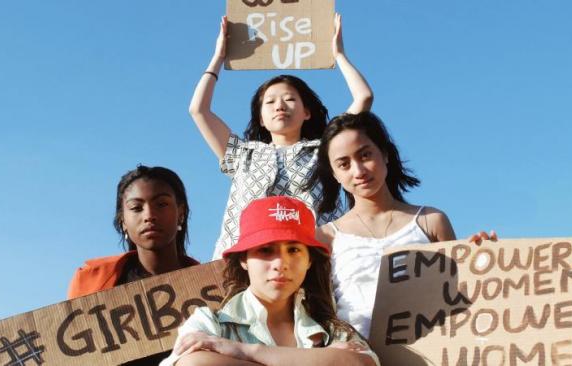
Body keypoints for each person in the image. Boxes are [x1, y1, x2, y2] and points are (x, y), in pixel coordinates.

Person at [190, 14, 374, 259]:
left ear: (306, 112)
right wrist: (218, 58)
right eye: (270, 102)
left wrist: (339, 55)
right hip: (245, 262)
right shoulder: (242, 155)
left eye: (289, 99)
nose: (280, 106)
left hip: (311, 260)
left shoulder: (326, 150)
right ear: (261, 119)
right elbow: (198, 110)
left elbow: (363, 97)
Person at [305, 112, 496, 338]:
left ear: (385, 154)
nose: (358, 171)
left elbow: (459, 292)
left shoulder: (431, 221)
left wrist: (486, 259)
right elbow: (319, 312)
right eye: (344, 164)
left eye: (365, 155)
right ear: (335, 174)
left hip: (430, 352)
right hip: (360, 356)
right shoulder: (325, 237)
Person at [159, 196, 379, 366]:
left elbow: (363, 363)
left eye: (293, 250)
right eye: (265, 250)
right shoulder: (208, 324)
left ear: (309, 260)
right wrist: (321, 360)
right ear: (243, 259)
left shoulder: (331, 330)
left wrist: (243, 351)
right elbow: (193, 364)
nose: (280, 263)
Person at [67, 165, 199, 298]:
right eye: (136, 208)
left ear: (181, 213)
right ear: (123, 221)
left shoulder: (213, 280)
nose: (149, 216)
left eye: (161, 204)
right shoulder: (89, 283)